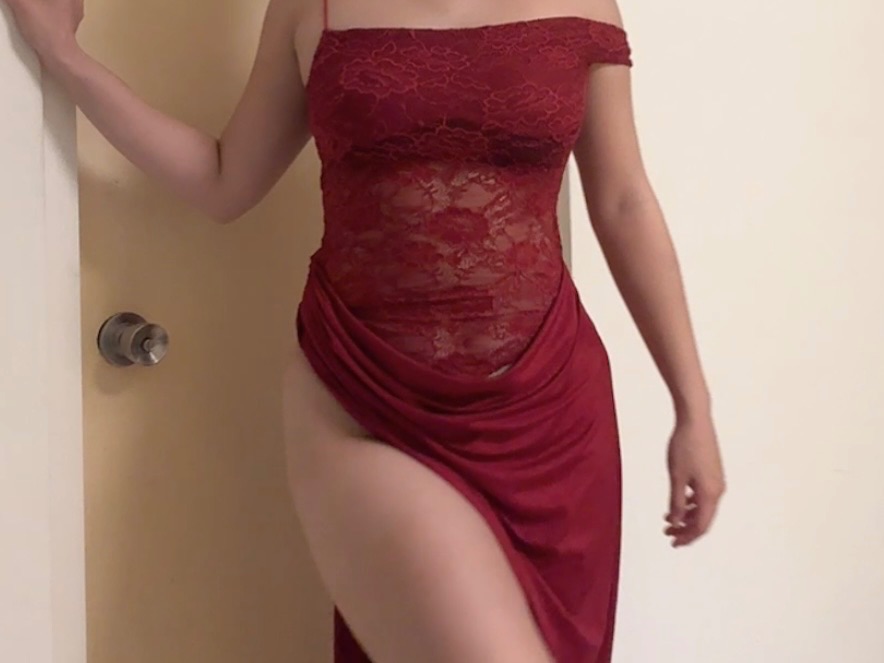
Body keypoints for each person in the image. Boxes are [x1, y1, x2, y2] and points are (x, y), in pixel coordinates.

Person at [3, 0, 727, 660]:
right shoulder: (309, 7)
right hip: (368, 403)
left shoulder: (585, 4)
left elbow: (624, 202)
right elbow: (225, 180)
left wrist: (692, 407)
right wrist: (65, 58)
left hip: (551, 414)